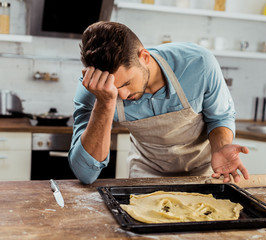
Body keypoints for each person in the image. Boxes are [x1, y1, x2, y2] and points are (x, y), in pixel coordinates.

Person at [68, 21, 249, 184]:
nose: (122, 95)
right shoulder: (93, 87)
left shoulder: (198, 63)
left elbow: (220, 117)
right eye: (115, 89)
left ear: (144, 57)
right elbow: (85, 174)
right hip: (146, 175)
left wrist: (221, 147)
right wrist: (104, 103)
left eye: (126, 83)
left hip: (204, 173)